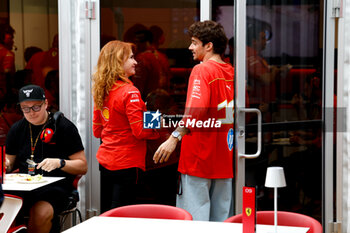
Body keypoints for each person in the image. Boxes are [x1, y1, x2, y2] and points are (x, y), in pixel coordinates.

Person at [153, 20, 234, 221]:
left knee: (194, 222)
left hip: (198, 158)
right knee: (221, 222)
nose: (190, 47)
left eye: (194, 42)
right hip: (224, 157)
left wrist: (174, 137)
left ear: (209, 46)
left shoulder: (202, 70)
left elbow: (196, 112)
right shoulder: (232, 72)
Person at [5, 84, 87, 233]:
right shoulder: (17, 129)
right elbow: (8, 163)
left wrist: (60, 163)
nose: (31, 113)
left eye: (36, 107)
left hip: (56, 187)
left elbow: (82, 166)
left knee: (40, 214)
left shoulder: (63, 127)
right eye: (25, 108)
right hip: (24, 186)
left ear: (46, 104)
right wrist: (6, 164)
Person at [92, 40, 159, 213]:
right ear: (117, 62)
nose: (135, 62)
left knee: (109, 212)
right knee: (124, 214)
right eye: (130, 57)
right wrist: (156, 121)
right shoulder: (130, 92)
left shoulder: (102, 90)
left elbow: (97, 131)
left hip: (106, 161)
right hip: (128, 163)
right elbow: (140, 131)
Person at [0, 24, 15, 96]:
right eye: (11, 38)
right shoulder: (7, 54)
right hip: (3, 93)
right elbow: (8, 76)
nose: (13, 41)